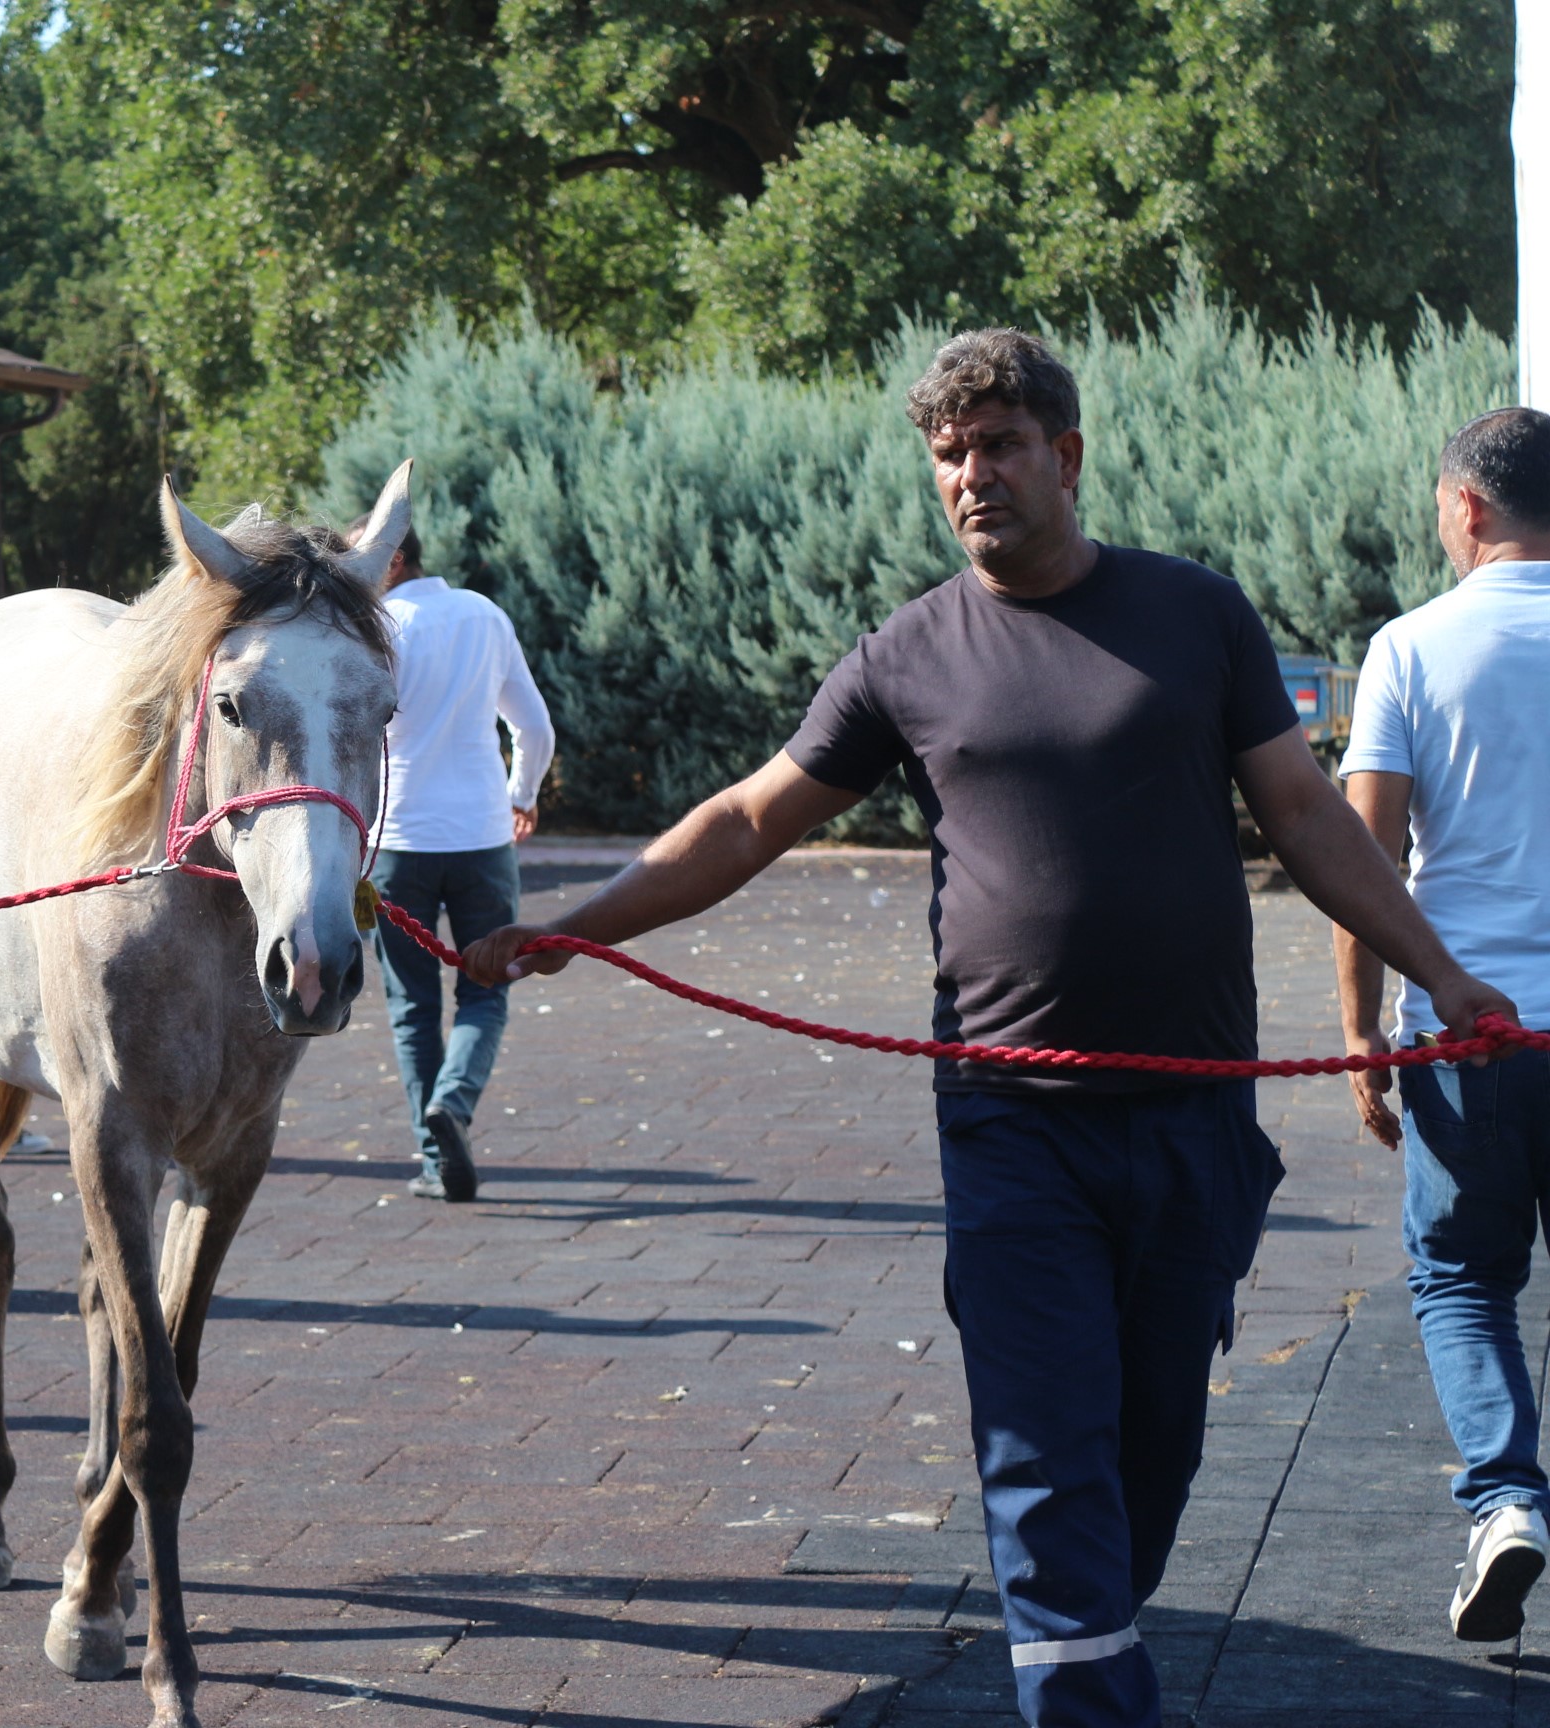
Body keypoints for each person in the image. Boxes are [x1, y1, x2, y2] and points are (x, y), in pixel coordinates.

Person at [461, 328, 1517, 1728]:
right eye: (950, 454)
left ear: (1065, 457)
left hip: (1195, 1115)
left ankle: (1092, 1631)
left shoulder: (1195, 616)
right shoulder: (909, 652)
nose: (972, 475)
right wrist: (577, 922)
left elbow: (1310, 817)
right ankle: (1089, 1701)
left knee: (1150, 1448)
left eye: (1001, 445)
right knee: (1041, 1436)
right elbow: (746, 820)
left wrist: (1437, 973)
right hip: (1011, 1121)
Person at [1335, 406, 1550, 1643]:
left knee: (1463, 1278)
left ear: (1467, 507)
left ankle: (1507, 1501)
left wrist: (1361, 1030)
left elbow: (1360, 856)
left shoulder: (1411, 647)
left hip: (1466, 1036)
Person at [366, 524, 554, 1201]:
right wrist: (521, 796)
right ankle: (455, 1102)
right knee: (488, 986)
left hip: (398, 840)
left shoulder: (376, 625)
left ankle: (431, 1153)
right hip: (481, 833)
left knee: (411, 1005)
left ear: (395, 558)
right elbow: (533, 726)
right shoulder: (484, 613)